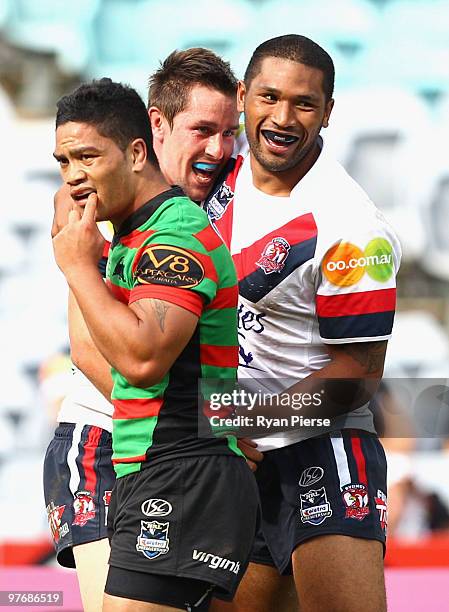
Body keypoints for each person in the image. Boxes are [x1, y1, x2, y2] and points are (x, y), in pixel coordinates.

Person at [44, 48, 263, 612]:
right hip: (157, 467)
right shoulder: (132, 234)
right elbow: (94, 350)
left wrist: (75, 266)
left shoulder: (173, 237)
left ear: (139, 151)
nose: (73, 177)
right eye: (64, 161)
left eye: (88, 157)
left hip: (183, 470)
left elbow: (141, 360)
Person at [205, 35, 401, 612]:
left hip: (323, 449)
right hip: (236, 457)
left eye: (304, 104)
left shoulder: (351, 225)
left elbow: (357, 375)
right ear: (242, 97)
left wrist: (242, 421)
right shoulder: (217, 168)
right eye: (268, 96)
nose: (282, 118)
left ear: (329, 112)